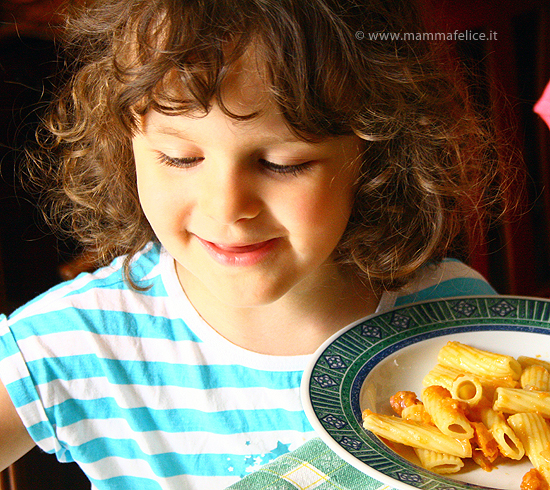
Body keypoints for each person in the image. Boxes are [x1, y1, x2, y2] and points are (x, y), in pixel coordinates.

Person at [0, 0, 513, 488]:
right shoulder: (75, 344)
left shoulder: (457, 320)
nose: (226, 207)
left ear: (375, 154)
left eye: (282, 164)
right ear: (125, 142)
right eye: (180, 157)